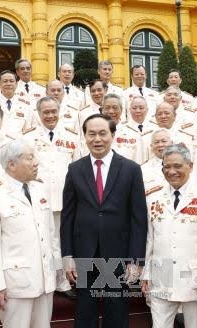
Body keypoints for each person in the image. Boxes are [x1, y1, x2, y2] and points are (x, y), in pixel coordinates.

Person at [61, 113, 148, 328]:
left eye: (102, 133)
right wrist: (67, 254)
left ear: (113, 135)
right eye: (92, 134)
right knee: (85, 310)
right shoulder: (75, 169)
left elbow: (138, 218)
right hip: (84, 251)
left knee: (116, 310)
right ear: (85, 137)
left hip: (118, 252)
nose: (97, 139)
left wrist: (135, 260)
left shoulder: (131, 169)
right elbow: (68, 215)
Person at [0, 139, 60, 328]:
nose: (36, 162)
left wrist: (55, 269)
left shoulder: (39, 187)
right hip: (16, 282)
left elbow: (50, 233)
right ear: (12, 164)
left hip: (44, 278)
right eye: (30, 158)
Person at [142, 143, 197, 328]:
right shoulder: (153, 197)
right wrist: (146, 273)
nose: (171, 171)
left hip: (195, 278)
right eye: (167, 167)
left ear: (191, 165)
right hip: (161, 275)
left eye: (178, 166)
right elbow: (150, 239)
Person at [23, 96, 81, 298]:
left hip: (66, 197)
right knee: (45, 240)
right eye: (45, 112)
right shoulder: (28, 138)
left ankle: (63, 280)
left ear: (60, 111)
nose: (50, 115)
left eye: (53, 111)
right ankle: (48, 278)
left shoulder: (71, 136)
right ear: (38, 114)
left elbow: (78, 166)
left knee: (64, 239)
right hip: (39, 198)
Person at [0, 70, 32, 139]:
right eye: (5, 81)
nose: (8, 84)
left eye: (11, 81)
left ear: (16, 84)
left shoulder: (25, 105)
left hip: (18, 145)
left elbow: (28, 130)